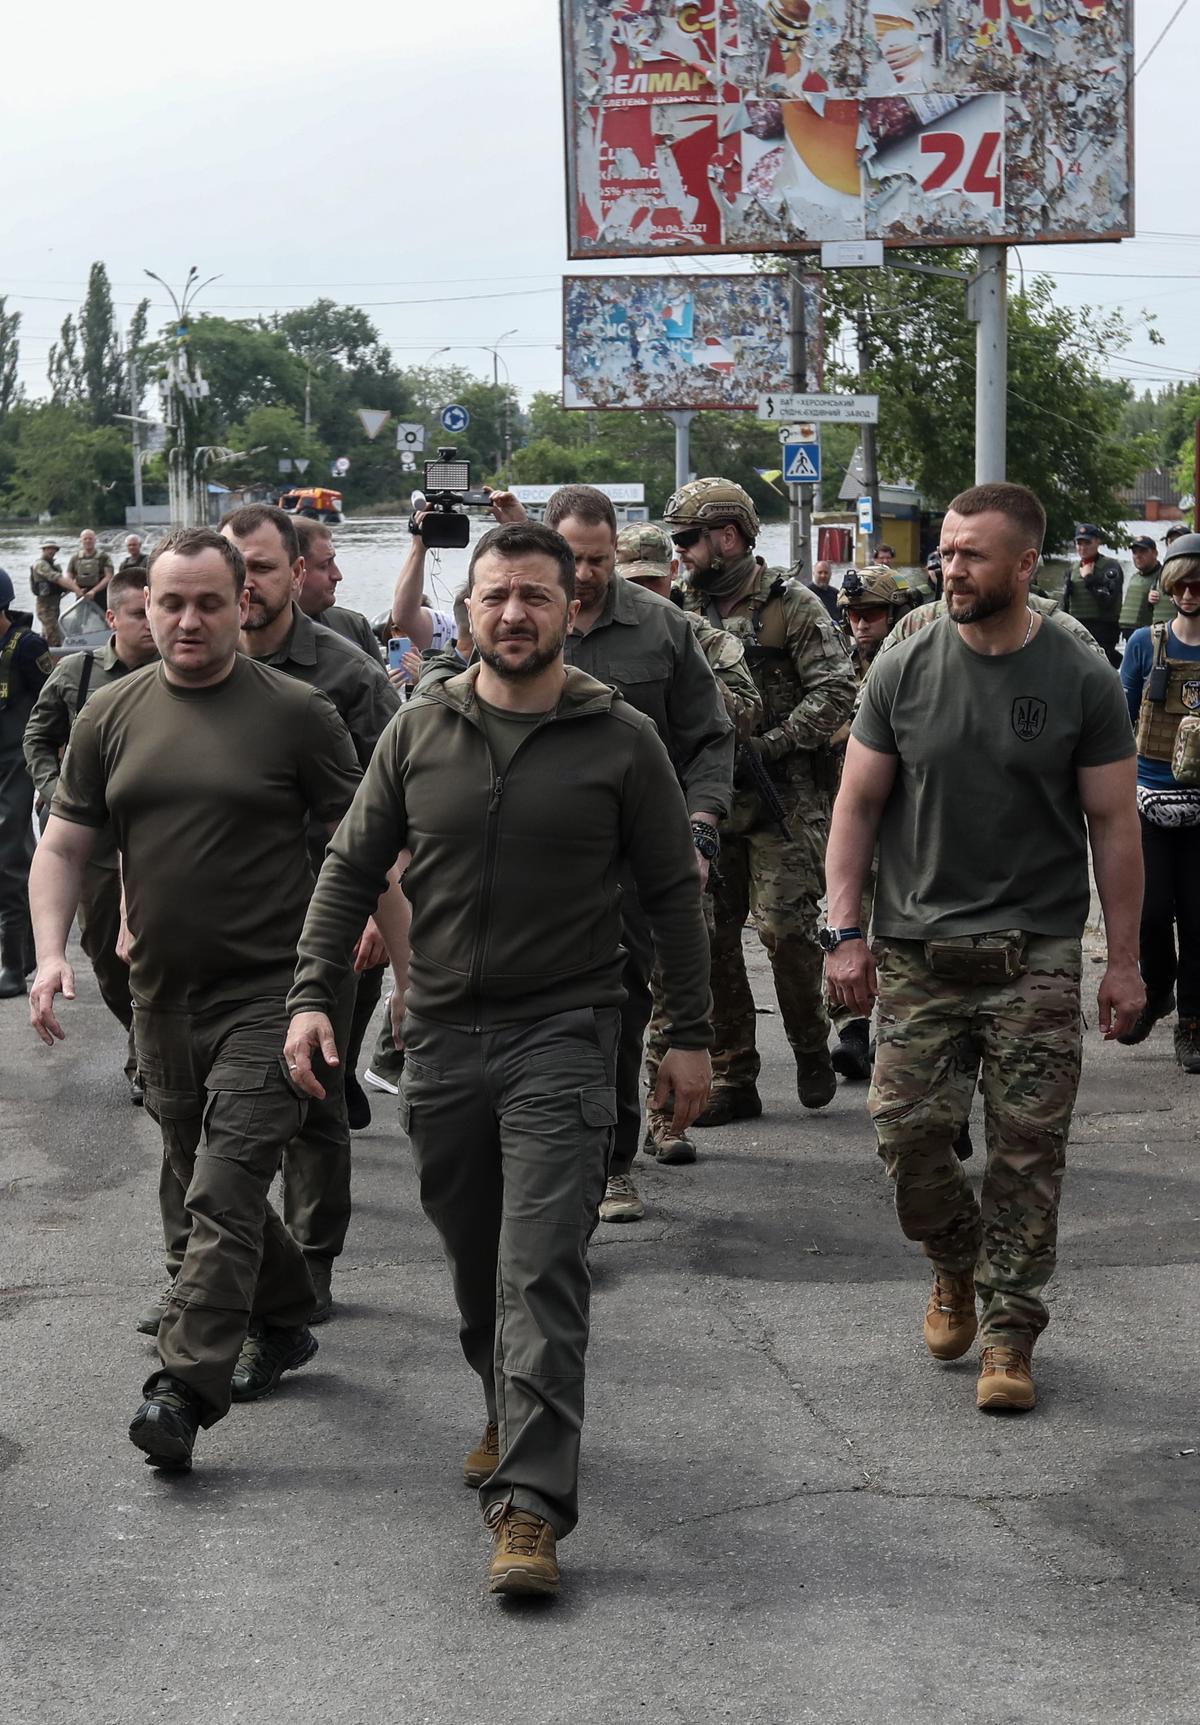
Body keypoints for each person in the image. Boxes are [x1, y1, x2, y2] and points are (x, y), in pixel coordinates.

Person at [285, 520, 713, 1597]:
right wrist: (308, 999)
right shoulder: (420, 729)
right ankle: (503, 1398)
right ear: (467, 611)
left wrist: (693, 1037)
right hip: (441, 1039)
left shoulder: (621, 741)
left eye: (535, 594)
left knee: (542, 1269)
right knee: (477, 1264)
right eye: (495, 596)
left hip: (566, 1032)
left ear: (571, 609)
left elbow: (672, 896)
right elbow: (349, 869)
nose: (514, 613)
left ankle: (529, 1508)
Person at [28, 527, 364, 1472]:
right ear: (145, 604)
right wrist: (48, 955)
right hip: (163, 994)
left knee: (221, 1187)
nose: (187, 619)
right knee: (200, 1170)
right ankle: (287, 1311)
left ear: (241, 603)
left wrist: (404, 971)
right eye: (170, 602)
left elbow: (360, 849)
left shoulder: (299, 713)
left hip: (281, 988)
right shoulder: (109, 713)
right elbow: (64, 846)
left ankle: (182, 1387)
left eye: (208, 601)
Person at [825, 482, 1143, 1414]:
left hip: (1034, 950)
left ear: (1022, 565)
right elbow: (857, 803)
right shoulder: (904, 662)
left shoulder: (1080, 673)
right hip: (918, 947)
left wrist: (1123, 960)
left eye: (970, 554)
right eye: (947, 551)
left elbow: (1115, 822)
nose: (949, 566)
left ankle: (1010, 1331)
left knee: (1027, 1152)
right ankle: (954, 1259)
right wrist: (845, 933)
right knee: (907, 1135)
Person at [213, 502, 401, 1320]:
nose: (243, 583)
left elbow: (400, 804)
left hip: (322, 919)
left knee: (316, 1093)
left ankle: (311, 1260)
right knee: (201, 1102)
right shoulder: (194, 666)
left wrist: (373, 912)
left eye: (258, 567)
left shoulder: (347, 673)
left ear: (295, 573)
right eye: (232, 567)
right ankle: (218, 1268)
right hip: (220, 921)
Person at [537, 484, 733, 1223]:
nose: (584, 574)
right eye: (572, 558)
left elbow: (710, 736)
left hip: (626, 861)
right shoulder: (512, 613)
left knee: (616, 1015)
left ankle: (614, 1161)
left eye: (598, 558)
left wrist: (701, 823)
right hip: (531, 855)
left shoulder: (660, 629)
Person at [665, 477, 856, 1127]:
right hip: (711, 799)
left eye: (688, 538)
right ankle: (734, 1073)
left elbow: (835, 691)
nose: (681, 551)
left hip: (785, 798)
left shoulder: (791, 605)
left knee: (783, 929)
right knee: (711, 941)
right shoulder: (678, 607)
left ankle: (810, 1047)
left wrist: (773, 743)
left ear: (727, 535)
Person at [614, 519, 763, 1163]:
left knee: (682, 966)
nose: (643, 592)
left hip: (687, 824)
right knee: (625, 981)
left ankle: (663, 1119)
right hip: (614, 826)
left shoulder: (691, 636)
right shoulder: (578, 631)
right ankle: (626, 1133)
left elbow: (738, 716)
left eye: (652, 580)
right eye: (633, 582)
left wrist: (682, 680)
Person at [22, 567, 159, 1097]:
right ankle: (140, 1034)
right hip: (95, 844)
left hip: (155, 839)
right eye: (138, 614)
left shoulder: (178, 673)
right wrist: (57, 792)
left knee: (157, 947)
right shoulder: (78, 674)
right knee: (105, 953)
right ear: (111, 619)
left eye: (155, 610)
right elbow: (38, 736)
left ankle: (149, 1053)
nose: (151, 623)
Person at [1118, 532, 1200, 1070]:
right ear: (1168, 586)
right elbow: (1117, 717)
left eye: (1199, 583)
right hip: (1148, 797)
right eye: (1182, 584)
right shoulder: (1147, 643)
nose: (1190, 594)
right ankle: (1157, 987)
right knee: (1149, 913)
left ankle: (1191, 1024)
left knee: (1196, 918)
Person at [825, 566, 905, 1082]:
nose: (859, 624)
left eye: (871, 614)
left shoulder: (911, 661)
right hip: (845, 812)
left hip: (904, 817)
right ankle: (852, 1030)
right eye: (852, 614)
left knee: (897, 930)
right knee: (843, 919)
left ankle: (900, 1032)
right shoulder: (835, 663)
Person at [0, 570, 53, 997]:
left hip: (17, 763)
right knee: (19, 856)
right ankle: (29, 948)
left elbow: (52, 708)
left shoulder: (26, 648)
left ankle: (13, 965)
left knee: (8, 859)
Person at [292, 514, 384, 662]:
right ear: (296, 572)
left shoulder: (354, 627)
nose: (337, 575)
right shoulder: (247, 640)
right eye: (323, 566)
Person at [1061, 524, 1122, 666]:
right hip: (1076, 628)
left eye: (1087, 543)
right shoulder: (1072, 569)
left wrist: (1089, 579)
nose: (1083, 547)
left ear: (1097, 542)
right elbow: (1065, 604)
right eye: (1079, 543)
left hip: (1102, 630)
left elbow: (1108, 601)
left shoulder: (1110, 566)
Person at [29, 539, 77, 648]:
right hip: (45, 607)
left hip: (54, 605)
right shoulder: (40, 564)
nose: (51, 551)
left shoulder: (55, 566)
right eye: (49, 549)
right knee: (53, 636)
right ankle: (54, 659)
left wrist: (73, 586)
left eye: (53, 549)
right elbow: (56, 578)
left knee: (48, 633)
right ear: (44, 550)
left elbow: (61, 585)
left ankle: (47, 653)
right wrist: (76, 589)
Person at [1118, 536, 1166, 640]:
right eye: (1135, 552)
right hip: (1129, 634)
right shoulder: (1135, 577)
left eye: (1143, 551)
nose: (1138, 556)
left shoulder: (1164, 576)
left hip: (1150, 636)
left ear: (1155, 553)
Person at [66, 530, 115, 608]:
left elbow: (109, 577)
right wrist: (77, 590)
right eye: (85, 539)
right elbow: (68, 577)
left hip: (100, 594)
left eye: (90, 538)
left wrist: (94, 591)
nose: (88, 541)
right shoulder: (75, 558)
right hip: (81, 593)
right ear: (81, 540)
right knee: (80, 618)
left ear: (95, 540)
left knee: (103, 618)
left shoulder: (104, 557)